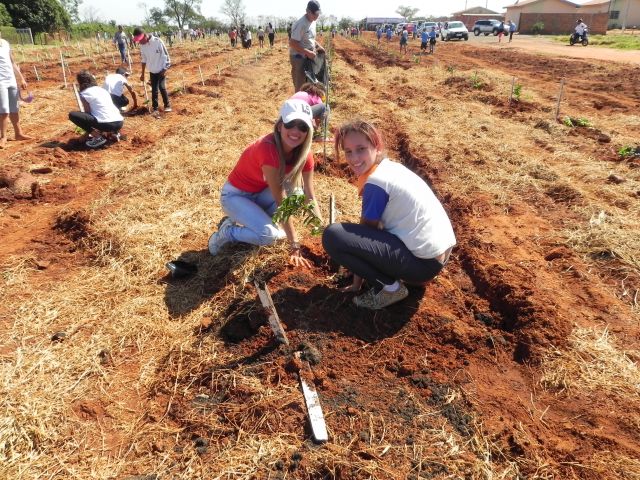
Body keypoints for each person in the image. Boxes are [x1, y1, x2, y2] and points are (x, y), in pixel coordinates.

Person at [322, 120, 456, 310]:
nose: (354, 158)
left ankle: (391, 288)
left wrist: (357, 283)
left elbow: (364, 234)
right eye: (348, 151)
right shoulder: (391, 168)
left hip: (422, 267)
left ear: (376, 147)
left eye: (361, 149)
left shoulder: (376, 184)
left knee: (333, 235)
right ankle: (394, 279)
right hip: (436, 258)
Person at [208, 99, 322, 266]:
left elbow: (310, 196)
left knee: (297, 194)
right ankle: (228, 232)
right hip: (235, 196)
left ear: (308, 131)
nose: (296, 131)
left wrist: (322, 231)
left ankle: (254, 222)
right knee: (272, 237)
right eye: (290, 124)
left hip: (259, 194)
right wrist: (294, 244)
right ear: (280, 126)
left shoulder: (305, 155)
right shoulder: (268, 149)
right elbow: (281, 201)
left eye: (302, 127)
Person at [68, 70, 124, 148]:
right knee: (102, 115)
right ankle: (114, 133)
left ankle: (98, 137)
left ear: (80, 82)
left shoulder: (84, 93)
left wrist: (87, 134)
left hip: (107, 125)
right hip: (119, 123)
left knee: (72, 115)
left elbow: (88, 114)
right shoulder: (102, 90)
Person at [0, 33, 31, 149]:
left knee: (14, 108)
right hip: (0, 82)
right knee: (4, 110)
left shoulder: (5, 43)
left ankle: (18, 134)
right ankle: (3, 137)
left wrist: (21, 78)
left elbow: (12, 62)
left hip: (11, 80)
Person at [132, 27, 171, 114]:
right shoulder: (142, 46)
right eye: (138, 40)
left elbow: (166, 56)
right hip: (152, 70)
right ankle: (155, 108)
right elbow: (144, 60)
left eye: (140, 40)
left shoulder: (157, 42)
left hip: (161, 69)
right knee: (154, 90)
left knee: (162, 87)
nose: (139, 42)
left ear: (145, 35)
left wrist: (164, 69)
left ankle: (167, 105)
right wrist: (142, 74)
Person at [289, 1, 325, 92]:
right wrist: (307, 52)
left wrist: (318, 45)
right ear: (307, 11)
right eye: (314, 14)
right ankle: (299, 98)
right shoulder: (301, 24)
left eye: (318, 13)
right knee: (300, 85)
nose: (317, 16)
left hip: (308, 57)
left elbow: (310, 38)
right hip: (298, 58)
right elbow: (292, 43)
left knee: (309, 83)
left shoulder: (313, 22)